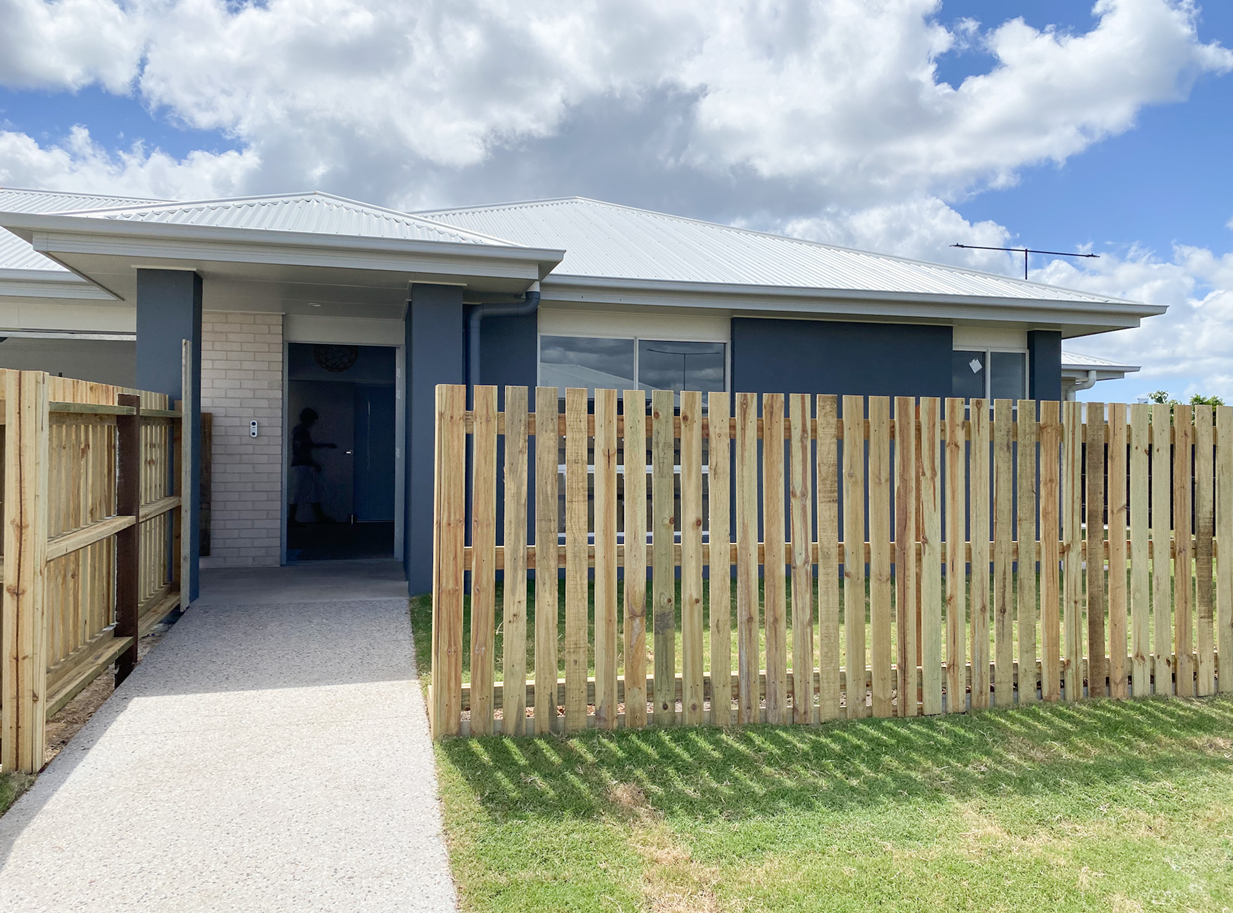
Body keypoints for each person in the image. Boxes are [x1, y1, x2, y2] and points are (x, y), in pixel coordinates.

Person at [288, 407, 337, 525]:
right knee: (301, 491)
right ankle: (294, 519)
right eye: (312, 420)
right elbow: (302, 450)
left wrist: (326, 445)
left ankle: (314, 517)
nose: (313, 423)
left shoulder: (300, 431)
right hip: (301, 465)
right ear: (308, 419)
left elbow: (308, 446)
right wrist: (313, 463)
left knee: (308, 490)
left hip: (301, 464)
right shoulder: (301, 432)